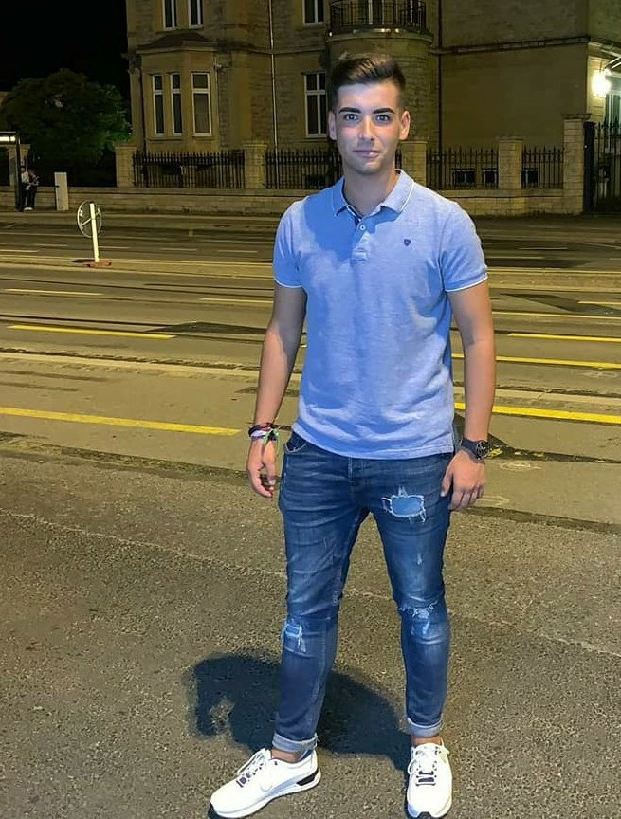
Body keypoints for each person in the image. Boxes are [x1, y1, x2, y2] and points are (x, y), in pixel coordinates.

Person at [210, 53, 495, 819]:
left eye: (380, 115)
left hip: (414, 456)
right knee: (305, 609)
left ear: (402, 125)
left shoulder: (443, 222)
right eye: (350, 116)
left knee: (420, 607)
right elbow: (282, 331)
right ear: (331, 127)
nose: (365, 131)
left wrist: (471, 447)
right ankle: (289, 754)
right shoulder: (300, 222)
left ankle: (426, 744)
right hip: (318, 453)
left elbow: (478, 337)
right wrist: (261, 429)